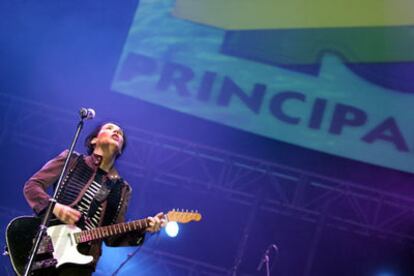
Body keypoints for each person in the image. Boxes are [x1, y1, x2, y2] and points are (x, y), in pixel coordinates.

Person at [23, 122, 165, 275]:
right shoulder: (72, 160)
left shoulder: (122, 188)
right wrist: (55, 207)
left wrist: (143, 229)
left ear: (121, 149)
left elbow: (114, 237)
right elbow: (32, 186)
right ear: (94, 140)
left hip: (81, 263)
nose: (116, 132)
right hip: (45, 245)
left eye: (120, 133)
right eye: (109, 128)